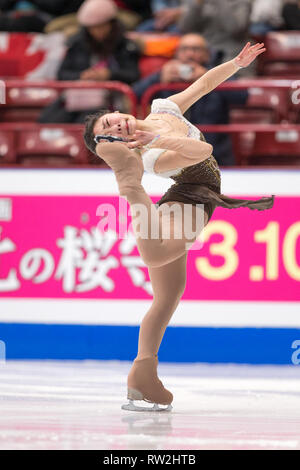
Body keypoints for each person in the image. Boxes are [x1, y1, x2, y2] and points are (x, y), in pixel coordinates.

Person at [83, 42, 275, 411]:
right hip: (192, 197)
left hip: (178, 196)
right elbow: (203, 152)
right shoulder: (151, 155)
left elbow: (202, 86)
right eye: (109, 133)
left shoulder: (162, 108)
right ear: (116, 144)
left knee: (167, 297)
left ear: (118, 111)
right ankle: (130, 185)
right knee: (158, 253)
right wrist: (152, 141)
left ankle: (143, 377)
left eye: (110, 120)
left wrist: (235, 63)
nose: (117, 125)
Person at [133, 33, 248, 166]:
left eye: (196, 49)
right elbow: (134, 94)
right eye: (184, 49)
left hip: (215, 151)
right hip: (172, 153)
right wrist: (159, 77)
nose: (190, 54)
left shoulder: (217, 72)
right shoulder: (166, 74)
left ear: (207, 54)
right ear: (176, 53)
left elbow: (243, 96)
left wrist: (208, 77)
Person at [39, 0, 140, 124]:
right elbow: (61, 74)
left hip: (110, 101)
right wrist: (81, 76)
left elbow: (133, 74)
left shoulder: (126, 46)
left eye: (101, 26)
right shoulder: (76, 44)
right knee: (47, 119)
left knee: (88, 122)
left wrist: (109, 74)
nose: (97, 32)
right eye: (92, 28)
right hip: (76, 98)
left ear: (112, 24)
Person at [178, 0, 252, 65]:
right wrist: (197, 4)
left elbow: (236, 29)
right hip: (204, 52)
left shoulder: (241, 2)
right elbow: (186, 28)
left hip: (231, 52)